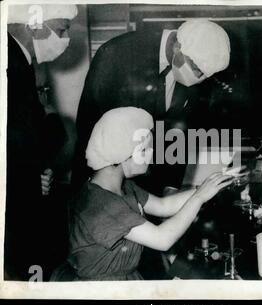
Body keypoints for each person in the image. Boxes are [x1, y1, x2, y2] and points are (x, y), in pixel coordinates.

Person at [67, 107, 233, 280]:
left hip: (125, 279)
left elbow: (164, 206)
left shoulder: (124, 187)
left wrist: (208, 186)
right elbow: (162, 239)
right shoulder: (102, 204)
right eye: (145, 150)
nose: (152, 154)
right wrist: (200, 197)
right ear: (123, 154)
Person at [72, 19, 231, 193]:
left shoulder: (192, 64)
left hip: (149, 187)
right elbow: (95, 130)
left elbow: (178, 132)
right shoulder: (119, 54)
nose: (200, 78)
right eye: (197, 69)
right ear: (178, 47)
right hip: (104, 184)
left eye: (206, 75)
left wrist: (170, 186)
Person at [5, 4, 78, 280]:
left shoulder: (21, 61)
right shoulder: (9, 60)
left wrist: (36, 172)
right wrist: (27, 177)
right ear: (34, 23)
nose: (65, 38)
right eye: (61, 29)